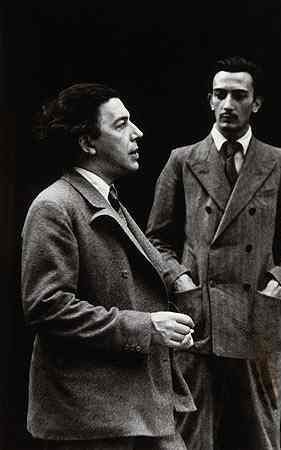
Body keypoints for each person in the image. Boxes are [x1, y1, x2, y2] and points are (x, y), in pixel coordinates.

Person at [146, 56, 281, 450]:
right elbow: (155, 239)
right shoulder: (183, 160)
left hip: (256, 318)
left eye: (239, 96)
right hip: (197, 318)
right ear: (209, 100)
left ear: (256, 103)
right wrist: (181, 281)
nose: (228, 104)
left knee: (261, 437)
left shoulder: (278, 161)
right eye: (219, 94)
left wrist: (275, 287)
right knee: (190, 437)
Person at [21, 83, 196, 450]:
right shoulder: (54, 206)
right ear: (88, 142)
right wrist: (147, 326)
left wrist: (169, 317)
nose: (137, 132)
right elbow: (48, 309)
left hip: (132, 406)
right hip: (91, 419)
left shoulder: (106, 199)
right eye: (121, 124)